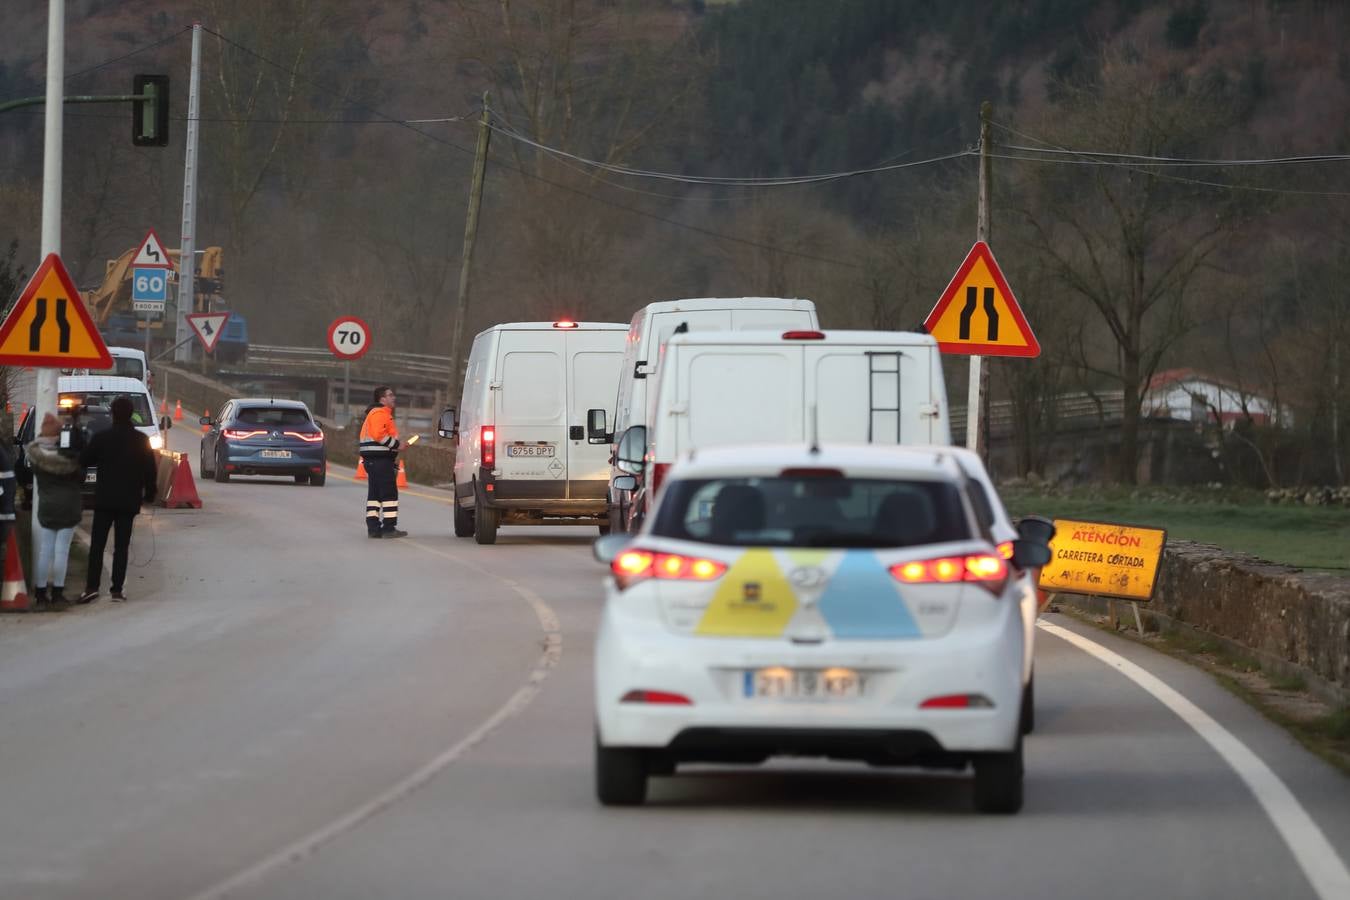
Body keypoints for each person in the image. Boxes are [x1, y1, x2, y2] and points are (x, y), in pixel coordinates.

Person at [78, 396, 158, 603]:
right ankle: (117, 590)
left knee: (97, 545)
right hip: (128, 501)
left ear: (112, 413)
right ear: (131, 414)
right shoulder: (141, 440)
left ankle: (92, 587)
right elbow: (150, 471)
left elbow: (84, 460)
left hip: (104, 499)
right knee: (121, 546)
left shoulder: (102, 438)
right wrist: (149, 495)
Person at [27, 413, 84, 611]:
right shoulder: (68, 457)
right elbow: (81, 473)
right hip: (69, 506)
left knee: (45, 551)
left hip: (47, 506)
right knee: (62, 551)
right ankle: (58, 593)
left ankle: (41, 595)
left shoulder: (36, 455)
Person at [359, 385, 406, 539]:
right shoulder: (380, 413)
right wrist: (398, 445)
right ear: (382, 399)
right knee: (389, 493)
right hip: (380, 460)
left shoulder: (374, 413)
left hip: (372, 460)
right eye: (390, 395)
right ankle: (389, 528)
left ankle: (373, 528)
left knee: (374, 495)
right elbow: (379, 435)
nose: (394, 397)